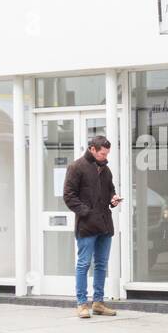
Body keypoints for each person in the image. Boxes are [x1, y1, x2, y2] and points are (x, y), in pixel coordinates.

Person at [62, 134, 121, 319]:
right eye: (103, 153)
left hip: (105, 224)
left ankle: (98, 303)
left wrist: (113, 199)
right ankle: (81, 304)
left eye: (107, 153)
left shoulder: (106, 169)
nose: (105, 157)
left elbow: (110, 189)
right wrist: (86, 212)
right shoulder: (76, 167)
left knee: (102, 264)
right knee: (83, 264)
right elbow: (69, 196)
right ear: (92, 149)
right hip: (86, 225)